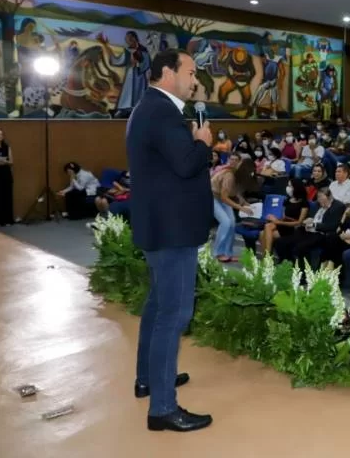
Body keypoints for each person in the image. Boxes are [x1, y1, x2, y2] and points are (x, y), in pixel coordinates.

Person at [126, 48, 214, 432]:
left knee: (158, 305)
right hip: (173, 230)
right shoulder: (162, 111)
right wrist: (203, 142)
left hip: (160, 225)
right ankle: (162, 407)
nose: (195, 79)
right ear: (167, 72)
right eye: (191, 71)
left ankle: (149, 378)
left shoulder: (148, 107)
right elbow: (187, 164)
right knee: (174, 315)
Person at [274, 188, 346, 268]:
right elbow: (308, 217)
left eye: (322, 197)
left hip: (320, 234)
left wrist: (314, 225)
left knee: (299, 248)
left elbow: (333, 226)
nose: (319, 200)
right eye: (318, 197)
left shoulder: (338, 206)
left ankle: (304, 273)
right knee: (280, 242)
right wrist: (306, 221)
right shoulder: (316, 204)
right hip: (306, 231)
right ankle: (289, 264)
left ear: (329, 197)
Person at [259, 179, 309, 256]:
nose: (287, 188)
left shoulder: (304, 203)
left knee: (263, 233)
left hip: (293, 228)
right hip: (283, 224)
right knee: (265, 229)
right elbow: (283, 216)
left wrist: (278, 222)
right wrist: (275, 219)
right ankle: (266, 258)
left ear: (296, 187)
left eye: (289, 186)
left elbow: (299, 222)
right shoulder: (287, 200)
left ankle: (267, 258)